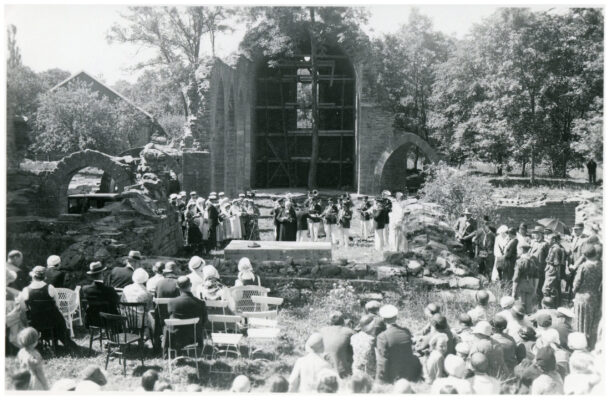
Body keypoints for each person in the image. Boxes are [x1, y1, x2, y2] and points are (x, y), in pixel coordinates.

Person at [18, 266, 76, 349]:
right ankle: (62, 341)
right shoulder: (50, 288)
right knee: (58, 317)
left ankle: (36, 343)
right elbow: (58, 305)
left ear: (33, 276)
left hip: (35, 321)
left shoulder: (26, 290)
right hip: (52, 320)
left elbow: (22, 308)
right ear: (44, 277)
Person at [375, 304, 421, 383]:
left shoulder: (382, 337)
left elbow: (382, 361)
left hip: (394, 376)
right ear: (396, 317)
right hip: (409, 373)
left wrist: (379, 380)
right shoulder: (406, 331)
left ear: (383, 319)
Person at [572, 244, 602, 348]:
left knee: (581, 323)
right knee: (592, 322)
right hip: (595, 297)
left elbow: (576, 283)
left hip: (582, 297)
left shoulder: (584, 266)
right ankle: (591, 344)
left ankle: (581, 345)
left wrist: (574, 291)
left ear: (585, 255)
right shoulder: (601, 265)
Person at [166, 276, 207, 350]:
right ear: (191, 285)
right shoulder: (200, 303)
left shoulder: (171, 302)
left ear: (177, 287)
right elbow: (204, 321)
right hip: (194, 338)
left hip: (175, 339)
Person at [80, 262, 120, 330]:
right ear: (102, 274)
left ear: (91, 276)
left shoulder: (85, 289)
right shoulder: (109, 290)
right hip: (107, 320)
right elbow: (117, 302)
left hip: (92, 320)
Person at [122, 268, 155, 338]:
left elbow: (122, 303)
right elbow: (148, 308)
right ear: (145, 278)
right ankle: (147, 337)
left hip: (127, 319)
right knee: (151, 317)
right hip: (141, 322)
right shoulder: (147, 293)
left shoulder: (126, 289)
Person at [320, 312, 354, 378]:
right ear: (343, 320)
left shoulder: (322, 330)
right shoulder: (349, 331)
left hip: (324, 369)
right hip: (342, 372)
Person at [512, 242, 538, 313]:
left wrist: (513, 291)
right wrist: (535, 289)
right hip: (530, 284)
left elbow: (516, 278)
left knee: (520, 306)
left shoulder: (519, 262)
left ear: (522, 250)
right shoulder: (533, 262)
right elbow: (536, 277)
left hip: (521, 285)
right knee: (529, 306)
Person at [566, 222, 589, 297]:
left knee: (578, 283)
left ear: (582, 230)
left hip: (579, 266)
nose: (575, 231)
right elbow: (571, 251)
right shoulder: (574, 238)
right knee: (571, 283)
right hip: (571, 265)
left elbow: (583, 255)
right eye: (574, 229)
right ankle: (571, 299)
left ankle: (576, 300)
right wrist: (569, 263)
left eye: (577, 230)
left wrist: (575, 266)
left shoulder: (585, 239)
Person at [544, 234, 566, 308]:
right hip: (550, 269)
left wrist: (557, 275)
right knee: (551, 290)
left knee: (547, 289)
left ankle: (551, 306)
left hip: (552, 270)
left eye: (548, 238)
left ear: (553, 240)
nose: (547, 240)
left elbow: (557, 263)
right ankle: (553, 305)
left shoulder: (556, 249)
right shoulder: (553, 248)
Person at [529, 226, 550, 302]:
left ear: (540, 234)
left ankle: (541, 302)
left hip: (541, 268)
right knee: (533, 285)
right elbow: (529, 252)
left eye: (536, 233)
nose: (534, 235)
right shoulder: (533, 243)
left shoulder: (545, 244)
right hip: (532, 267)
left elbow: (548, 258)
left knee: (540, 286)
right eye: (534, 233)